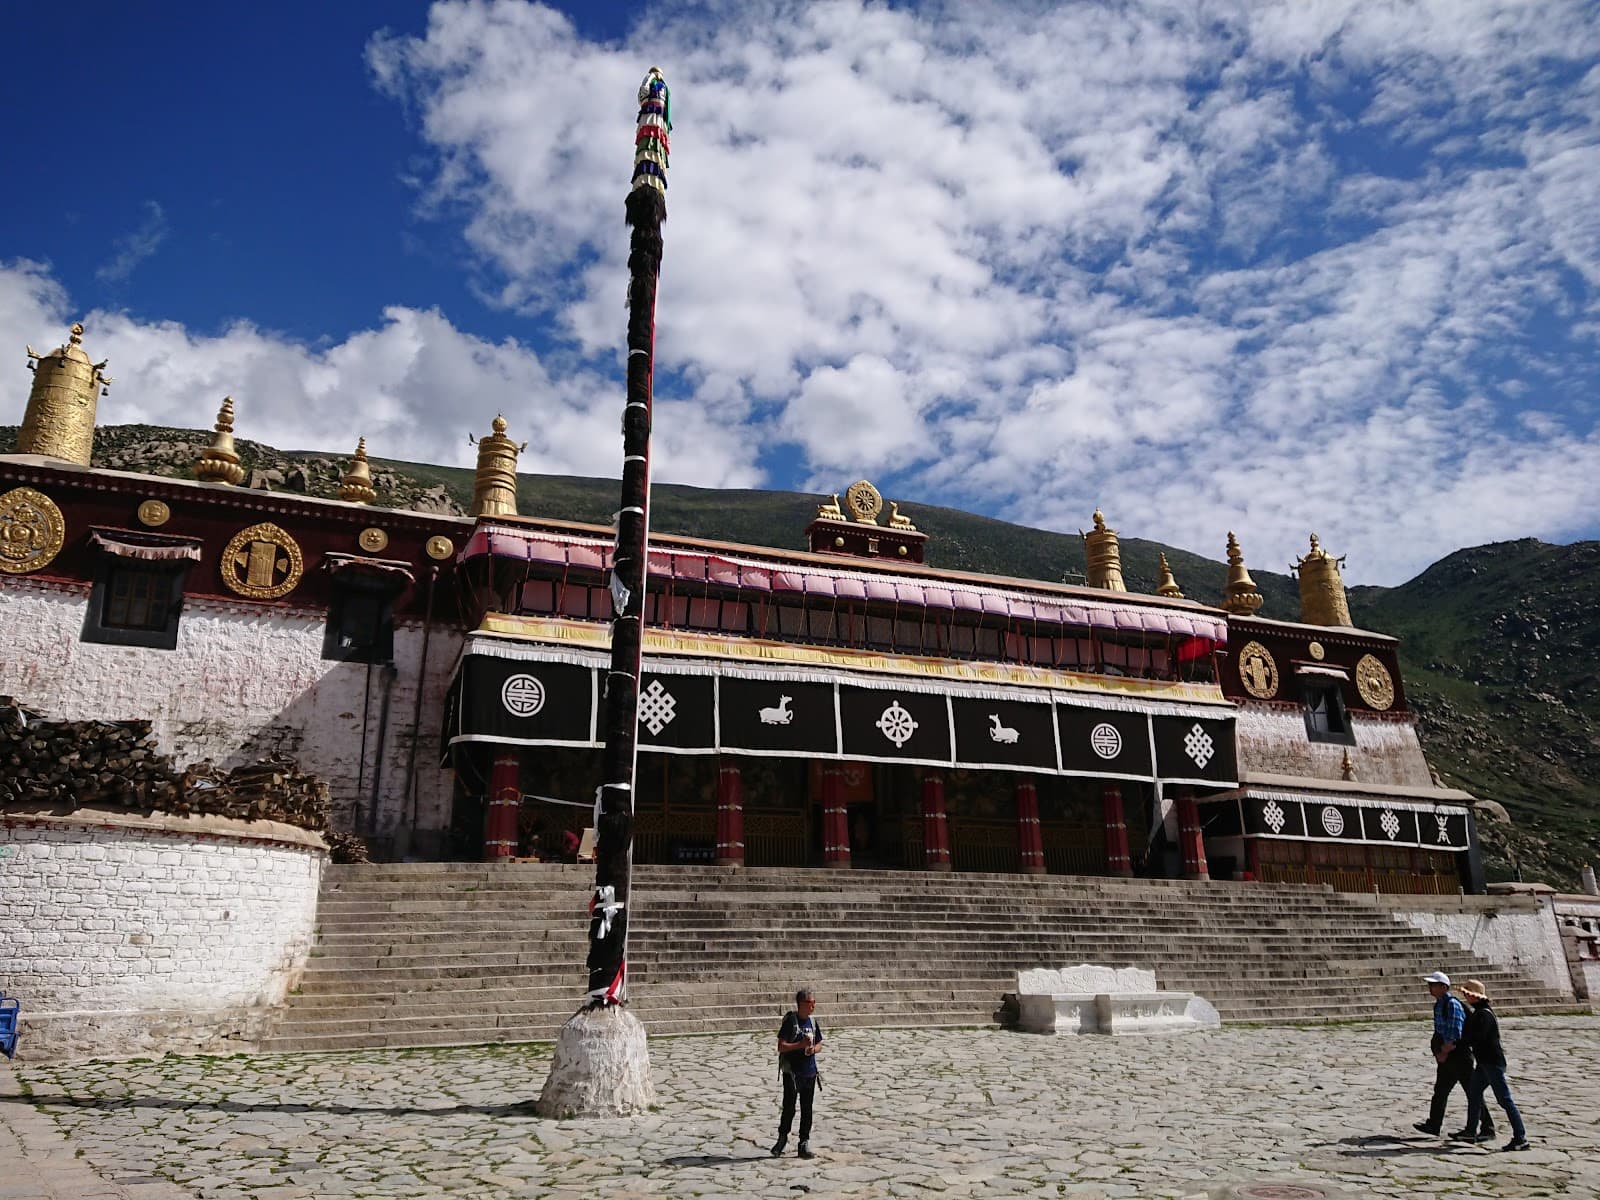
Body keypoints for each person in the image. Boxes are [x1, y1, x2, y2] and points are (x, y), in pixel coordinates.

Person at [1413, 970, 1493, 1140]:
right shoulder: (1439, 1004)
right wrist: (1438, 1051)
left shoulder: (1452, 1004)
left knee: (1472, 1091)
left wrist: (1443, 1052)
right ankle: (1434, 1124)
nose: (1430, 988)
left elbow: (1455, 1033)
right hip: (1447, 1054)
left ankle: (1487, 1127)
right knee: (1440, 1091)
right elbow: (1439, 1031)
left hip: (1459, 1055)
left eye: (1433, 985)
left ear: (1443, 987)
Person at [1452, 980, 1529, 1151]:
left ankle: (1520, 1137)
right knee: (1474, 1093)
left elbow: (1476, 1037)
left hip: (1492, 1063)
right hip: (1484, 1063)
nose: (1465, 997)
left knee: (1504, 1100)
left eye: (1467, 994)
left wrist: (1460, 1042)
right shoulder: (1479, 1013)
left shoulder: (1484, 1015)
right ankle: (1471, 1131)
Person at [772, 987, 823, 1159]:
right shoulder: (791, 1022)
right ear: (801, 1003)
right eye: (809, 1002)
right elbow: (781, 1046)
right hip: (793, 1073)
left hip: (809, 1073)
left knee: (807, 1110)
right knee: (789, 1108)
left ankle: (804, 1142)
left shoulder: (813, 1022)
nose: (812, 1006)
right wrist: (799, 1046)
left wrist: (812, 1049)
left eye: (814, 1002)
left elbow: (820, 1044)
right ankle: (782, 1139)